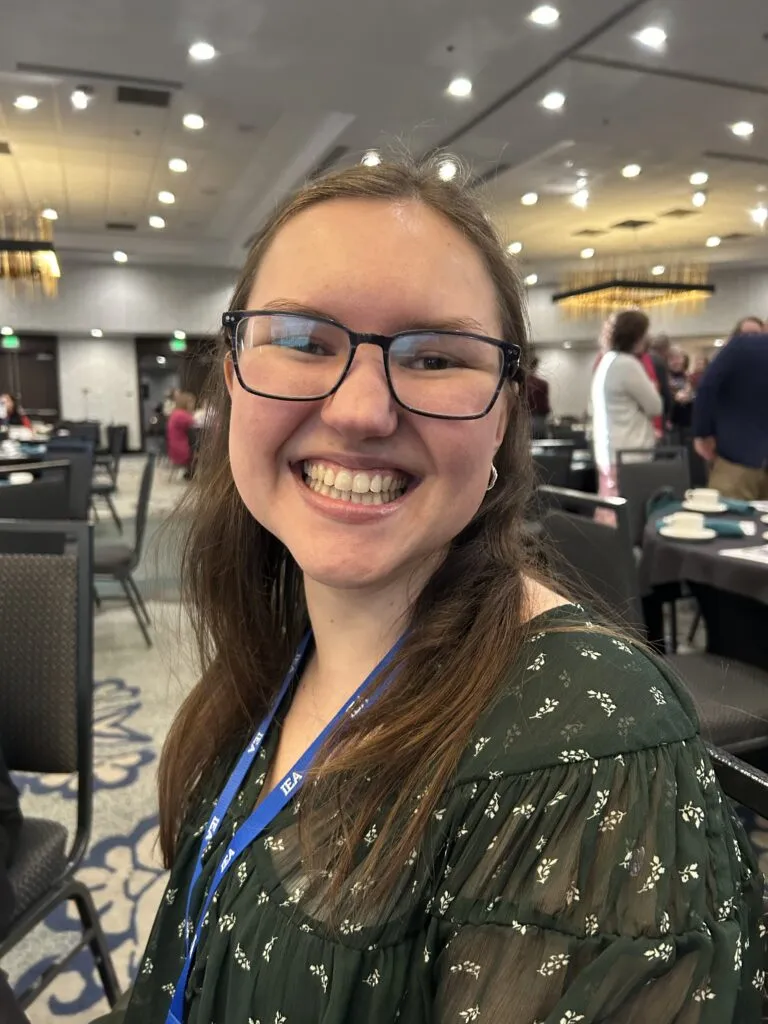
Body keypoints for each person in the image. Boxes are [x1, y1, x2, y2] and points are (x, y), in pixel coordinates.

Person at [94, 159, 765, 1024]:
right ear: (231, 378)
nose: (362, 410)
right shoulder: (278, 643)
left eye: (436, 356)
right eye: (302, 339)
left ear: (502, 418)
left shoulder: (587, 758)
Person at [590, 310, 663, 501]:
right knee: (627, 515)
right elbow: (655, 406)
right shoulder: (627, 364)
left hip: (609, 452)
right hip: (630, 455)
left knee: (610, 508)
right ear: (637, 335)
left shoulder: (606, 361)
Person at [693, 329, 768, 500]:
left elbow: (707, 387)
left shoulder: (743, 346)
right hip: (746, 453)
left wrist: (703, 432)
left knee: (727, 519)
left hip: (737, 456)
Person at [165, 392, 196, 477]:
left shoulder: (176, 413)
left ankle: (190, 473)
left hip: (174, 446)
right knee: (201, 451)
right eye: (191, 403)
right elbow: (193, 421)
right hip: (181, 448)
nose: (192, 405)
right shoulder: (181, 414)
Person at [667, 347, 694, 443]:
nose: (676, 362)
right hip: (672, 424)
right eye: (672, 359)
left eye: (678, 358)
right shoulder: (665, 377)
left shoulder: (689, 377)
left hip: (688, 423)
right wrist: (675, 397)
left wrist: (690, 396)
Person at [524, 355, 550, 438]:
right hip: (539, 418)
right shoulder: (542, 384)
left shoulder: (521, 383)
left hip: (524, 418)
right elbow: (544, 405)